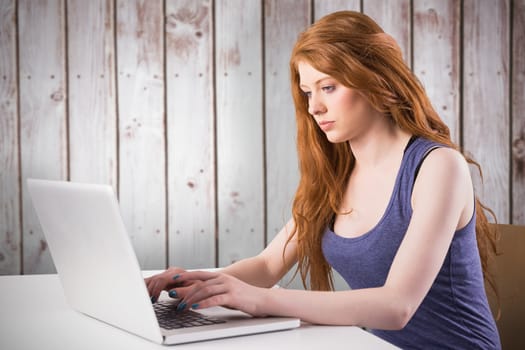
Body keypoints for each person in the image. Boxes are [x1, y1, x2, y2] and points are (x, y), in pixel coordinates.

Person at [145, 10, 501, 349]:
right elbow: (268, 266)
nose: (314, 107)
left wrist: (262, 300)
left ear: (375, 77)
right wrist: (197, 282)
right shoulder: (337, 177)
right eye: (307, 92)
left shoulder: (438, 166)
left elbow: (397, 306)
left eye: (327, 87)